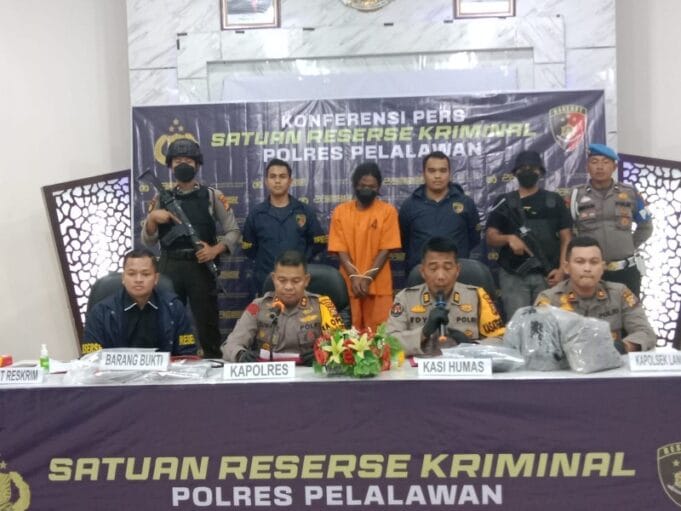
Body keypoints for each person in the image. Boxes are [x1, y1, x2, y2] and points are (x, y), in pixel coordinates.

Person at [141, 138, 240, 358]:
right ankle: (164, 366)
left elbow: (233, 231)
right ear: (170, 165)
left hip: (201, 267)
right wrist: (152, 219)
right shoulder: (160, 198)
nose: (183, 164)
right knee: (165, 321)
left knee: (208, 324)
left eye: (188, 160)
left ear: (197, 164)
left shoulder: (212, 196)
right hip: (170, 266)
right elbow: (148, 241)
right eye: (178, 161)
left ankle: (213, 365)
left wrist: (215, 250)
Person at [486, 150, 572, 320]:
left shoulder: (554, 200)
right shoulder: (505, 202)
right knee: (519, 325)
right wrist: (509, 238)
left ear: (540, 172)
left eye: (532, 168)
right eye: (523, 168)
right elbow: (490, 237)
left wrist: (562, 270)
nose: (528, 171)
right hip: (513, 276)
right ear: (515, 172)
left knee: (548, 325)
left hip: (548, 275)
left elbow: (567, 238)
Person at [386, 237, 505, 356]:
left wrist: (470, 345)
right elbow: (387, 344)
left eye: (447, 268)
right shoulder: (405, 298)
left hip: (465, 366)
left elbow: (501, 342)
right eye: (433, 268)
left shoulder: (477, 296)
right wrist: (423, 333)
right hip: (420, 366)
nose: (441, 276)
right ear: (422, 271)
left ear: (457, 270)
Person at [535, 236, 656, 352]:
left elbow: (645, 332)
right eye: (580, 262)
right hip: (567, 364)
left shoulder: (619, 294)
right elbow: (537, 342)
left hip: (611, 362)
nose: (587, 268)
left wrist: (621, 348)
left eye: (594, 262)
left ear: (602, 267)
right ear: (566, 267)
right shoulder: (549, 300)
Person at [221, 250, 343, 363]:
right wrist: (241, 355)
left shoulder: (322, 306)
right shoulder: (258, 306)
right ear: (274, 279)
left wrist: (324, 354)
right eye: (282, 280)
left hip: (311, 374)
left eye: (296, 281)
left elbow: (341, 345)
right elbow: (231, 345)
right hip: (269, 375)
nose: (288, 287)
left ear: (306, 280)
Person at [568, 143, 653, 296]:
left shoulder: (630, 192)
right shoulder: (576, 195)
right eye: (594, 162)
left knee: (629, 311)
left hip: (625, 271)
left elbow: (646, 226)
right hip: (590, 272)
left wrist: (629, 246)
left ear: (614, 167)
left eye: (605, 162)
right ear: (587, 167)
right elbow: (567, 232)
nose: (600, 167)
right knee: (590, 311)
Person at [328, 162, 402, 331]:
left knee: (380, 337)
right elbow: (340, 249)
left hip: (378, 284)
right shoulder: (341, 211)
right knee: (348, 337)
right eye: (363, 186)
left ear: (379, 187)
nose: (367, 190)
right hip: (348, 285)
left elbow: (386, 249)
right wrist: (354, 277)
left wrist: (368, 278)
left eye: (372, 187)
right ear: (355, 185)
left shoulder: (388, 212)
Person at [81, 249, 197, 355]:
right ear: (123, 278)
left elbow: (187, 353)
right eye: (131, 274)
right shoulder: (101, 312)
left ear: (156, 278)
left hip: (164, 371)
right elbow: (90, 357)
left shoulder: (174, 307)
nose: (138, 280)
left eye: (145, 274)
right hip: (116, 372)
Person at [241, 158, 327, 295]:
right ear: (266, 181)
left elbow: (319, 243)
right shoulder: (256, 214)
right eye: (272, 176)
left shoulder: (305, 211)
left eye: (282, 176)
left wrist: (301, 260)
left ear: (290, 181)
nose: (277, 181)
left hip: (297, 284)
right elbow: (249, 249)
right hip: (266, 282)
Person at [399, 151, 481, 273]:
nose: (437, 176)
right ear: (423, 174)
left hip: (456, 274)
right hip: (420, 273)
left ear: (450, 173)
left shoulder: (466, 203)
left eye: (443, 171)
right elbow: (404, 241)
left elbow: (474, 238)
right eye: (432, 171)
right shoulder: (410, 205)